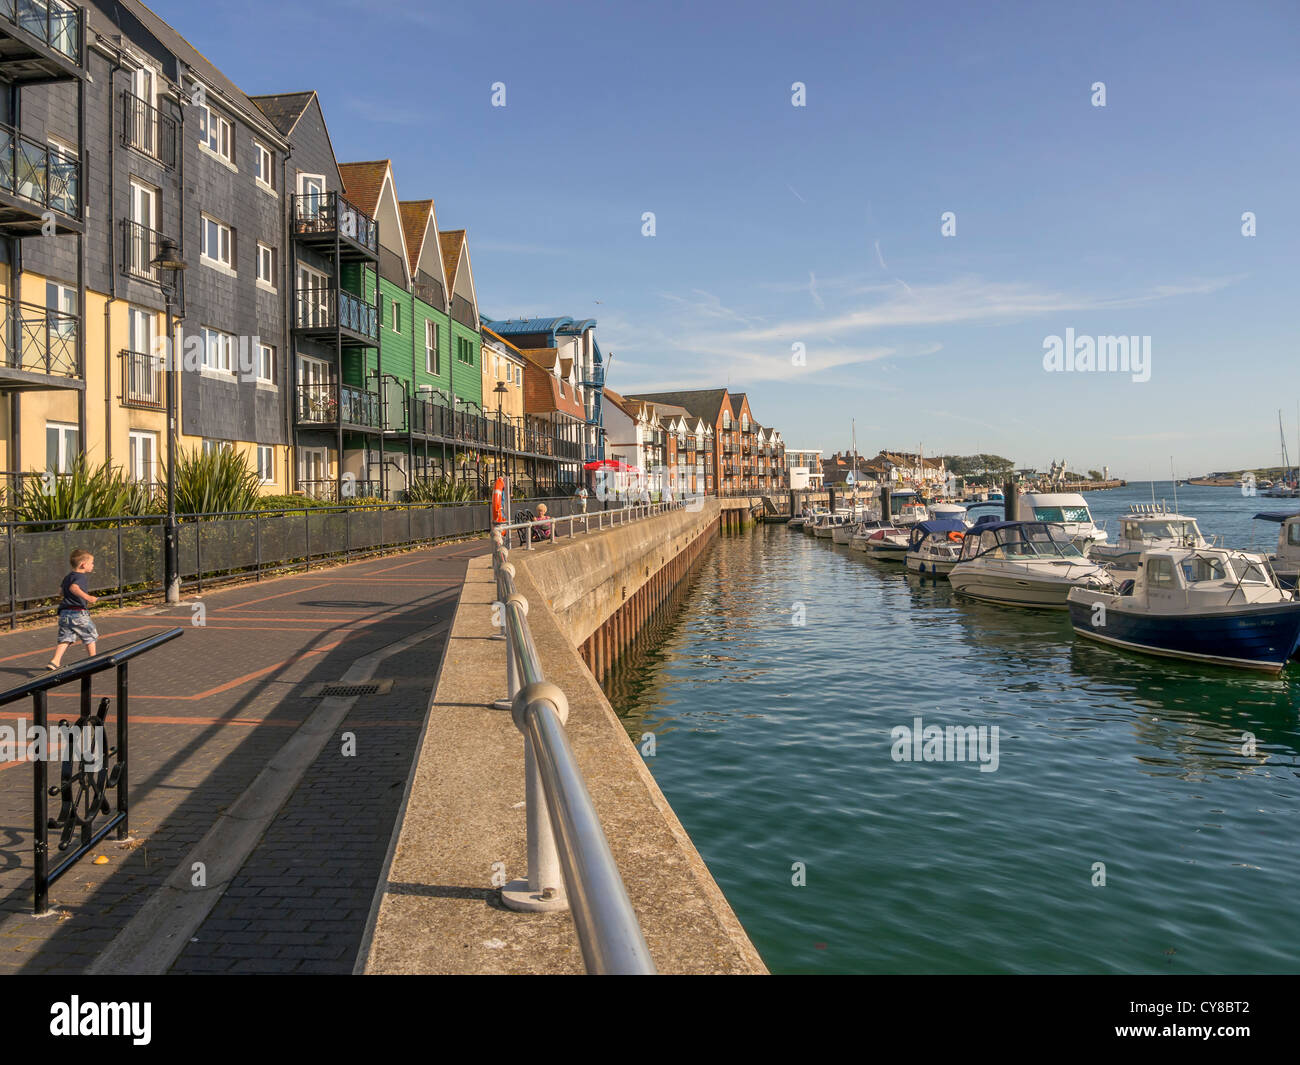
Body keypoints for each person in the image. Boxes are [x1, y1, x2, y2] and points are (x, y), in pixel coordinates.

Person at [49, 549, 99, 670]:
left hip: (65, 614)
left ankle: (55, 661)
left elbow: (60, 592)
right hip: (78, 613)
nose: (93, 565)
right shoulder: (80, 577)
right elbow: (74, 588)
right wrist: (89, 597)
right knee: (90, 635)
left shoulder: (68, 577)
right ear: (83, 565)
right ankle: (94, 659)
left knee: (66, 638)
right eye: (91, 563)